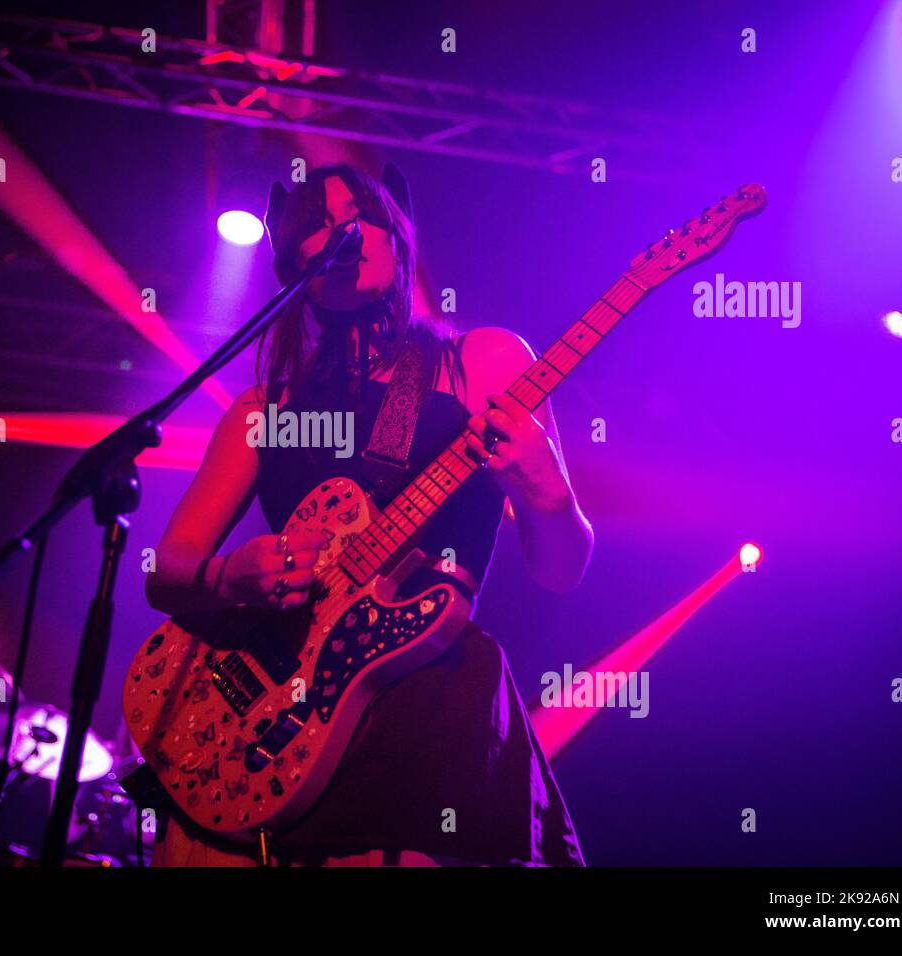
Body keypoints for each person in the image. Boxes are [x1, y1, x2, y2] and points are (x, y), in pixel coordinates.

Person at [145, 164, 592, 866]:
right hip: (261, 724)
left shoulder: (482, 361)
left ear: (397, 235)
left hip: (422, 711)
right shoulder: (265, 412)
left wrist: (550, 496)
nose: (344, 231)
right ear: (294, 265)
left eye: (361, 214)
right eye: (317, 224)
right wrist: (229, 575)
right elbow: (167, 568)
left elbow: (561, 571)